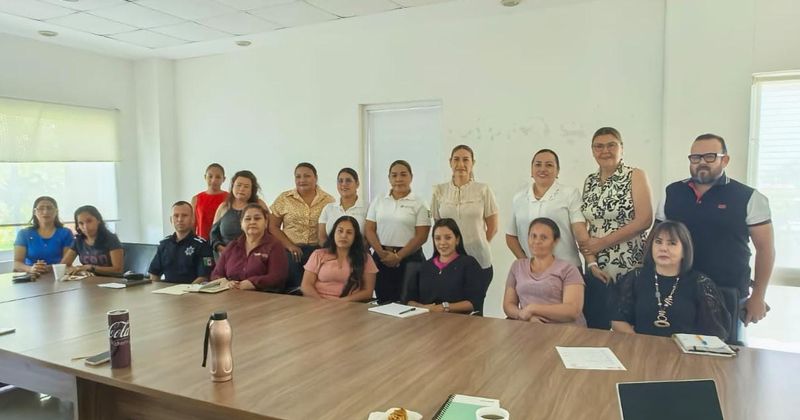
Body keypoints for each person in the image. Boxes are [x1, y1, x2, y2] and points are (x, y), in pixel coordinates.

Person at [656, 133, 774, 331]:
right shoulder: (672, 193)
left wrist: (758, 296)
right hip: (678, 291)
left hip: (728, 294)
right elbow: (656, 240)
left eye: (710, 156)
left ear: (725, 160)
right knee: (674, 356)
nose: (702, 162)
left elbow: (766, 250)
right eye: (695, 158)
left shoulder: (749, 198)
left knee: (727, 357)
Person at [580, 127, 653, 329]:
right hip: (596, 268)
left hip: (629, 267)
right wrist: (591, 262)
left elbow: (645, 220)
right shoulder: (590, 181)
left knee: (627, 331)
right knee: (596, 327)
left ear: (622, 148)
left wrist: (601, 243)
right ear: (592, 151)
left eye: (611, 145)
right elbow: (584, 228)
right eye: (599, 146)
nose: (605, 150)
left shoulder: (635, 175)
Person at [609, 221, 731, 340]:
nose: (663, 248)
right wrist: (640, 343)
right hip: (642, 351)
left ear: (685, 250)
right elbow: (618, 321)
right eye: (658, 242)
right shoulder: (636, 277)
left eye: (672, 243)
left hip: (686, 355)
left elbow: (715, 334)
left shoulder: (700, 283)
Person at [431, 145, 498, 298]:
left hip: (479, 259)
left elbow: (493, 227)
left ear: (472, 163)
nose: (460, 164)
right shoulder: (438, 191)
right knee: (449, 309)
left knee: (474, 308)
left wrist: (477, 244)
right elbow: (438, 225)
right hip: (447, 260)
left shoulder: (483, 189)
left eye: (466, 159)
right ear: (450, 162)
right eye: (456, 159)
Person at [506, 149, 592, 268]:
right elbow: (511, 236)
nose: (543, 169)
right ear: (531, 170)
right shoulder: (519, 198)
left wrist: (592, 263)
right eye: (538, 165)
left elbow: (579, 231)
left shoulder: (570, 193)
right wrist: (525, 263)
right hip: (534, 271)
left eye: (549, 165)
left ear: (557, 171)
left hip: (567, 268)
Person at [365, 160, 432, 304]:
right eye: (394, 175)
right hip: (381, 257)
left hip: (410, 259)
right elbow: (369, 229)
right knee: (384, 301)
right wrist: (382, 254)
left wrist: (398, 256)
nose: (398, 179)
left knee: (408, 302)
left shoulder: (419, 202)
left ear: (411, 177)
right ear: (389, 178)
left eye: (403, 175)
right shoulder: (379, 200)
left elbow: (422, 235)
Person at [503, 218, 586, 326]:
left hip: (565, 331)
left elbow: (572, 310)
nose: (537, 241)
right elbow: (508, 305)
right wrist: (524, 315)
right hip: (529, 327)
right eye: (533, 236)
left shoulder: (568, 269)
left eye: (544, 237)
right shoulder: (517, 266)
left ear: (555, 241)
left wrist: (533, 309)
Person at [270, 162, 335, 291]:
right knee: (293, 290)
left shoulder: (328, 200)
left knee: (315, 290)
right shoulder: (285, 198)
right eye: (298, 177)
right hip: (291, 251)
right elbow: (272, 226)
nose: (302, 180)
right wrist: (289, 245)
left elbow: (332, 229)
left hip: (318, 251)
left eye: (307, 176)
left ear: (315, 178)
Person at [405, 218, 483, 314]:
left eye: (448, 237)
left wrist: (445, 307)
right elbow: (409, 300)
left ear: (457, 239)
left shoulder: (469, 264)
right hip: (427, 319)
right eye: (437, 238)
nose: (442, 243)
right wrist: (424, 308)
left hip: (459, 321)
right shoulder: (424, 266)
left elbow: (474, 302)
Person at [212, 204, 288, 292]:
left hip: (264, 297)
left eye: (257, 218)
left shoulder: (275, 245)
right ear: (241, 223)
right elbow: (216, 274)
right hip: (232, 296)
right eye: (248, 219)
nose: (252, 222)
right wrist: (226, 283)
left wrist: (253, 283)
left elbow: (278, 277)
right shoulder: (233, 246)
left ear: (266, 223)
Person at [301, 216, 377, 301]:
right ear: (333, 234)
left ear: (355, 237)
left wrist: (342, 302)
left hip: (349, 306)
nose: (344, 235)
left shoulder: (366, 259)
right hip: (317, 304)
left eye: (349, 232)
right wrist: (322, 304)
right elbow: (306, 286)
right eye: (340, 231)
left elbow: (367, 292)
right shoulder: (318, 255)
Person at [149, 201, 215, 284]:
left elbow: (204, 277)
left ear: (193, 219)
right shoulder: (164, 245)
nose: (180, 219)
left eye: (184, 215)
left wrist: (186, 291)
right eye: (176, 216)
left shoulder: (202, 245)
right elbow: (154, 274)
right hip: (167, 293)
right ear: (171, 220)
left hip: (192, 293)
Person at [210, 170, 268, 258]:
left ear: (252, 189)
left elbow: (269, 230)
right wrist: (220, 247)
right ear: (232, 186)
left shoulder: (259, 205)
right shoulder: (224, 207)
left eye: (246, 186)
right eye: (238, 185)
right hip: (226, 256)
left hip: (253, 256)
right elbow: (213, 234)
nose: (241, 189)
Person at [13, 196, 73, 274]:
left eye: (49, 208)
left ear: (56, 211)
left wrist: (49, 268)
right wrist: (31, 269)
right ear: (34, 212)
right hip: (31, 277)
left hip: (58, 275)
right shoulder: (23, 234)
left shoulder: (66, 233)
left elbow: (67, 263)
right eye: (41, 208)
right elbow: (17, 263)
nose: (45, 212)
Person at [61, 205, 123, 274]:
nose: (85, 227)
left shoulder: (111, 239)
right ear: (78, 226)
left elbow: (118, 269)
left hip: (111, 281)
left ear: (98, 220)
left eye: (89, 221)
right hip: (88, 281)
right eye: (81, 223)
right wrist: (79, 271)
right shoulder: (78, 241)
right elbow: (63, 266)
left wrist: (91, 268)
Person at [318, 168, 368, 244]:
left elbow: (371, 236)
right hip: (331, 254)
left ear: (357, 184)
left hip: (359, 253)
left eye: (348, 180)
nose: (344, 184)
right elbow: (322, 237)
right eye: (340, 181)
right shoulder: (328, 208)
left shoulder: (368, 208)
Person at [192, 163, 228, 241]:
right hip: (202, 243)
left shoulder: (229, 198)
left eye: (218, 177)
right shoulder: (196, 199)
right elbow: (192, 225)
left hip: (223, 243)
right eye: (210, 176)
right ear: (205, 177)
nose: (213, 180)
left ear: (224, 179)